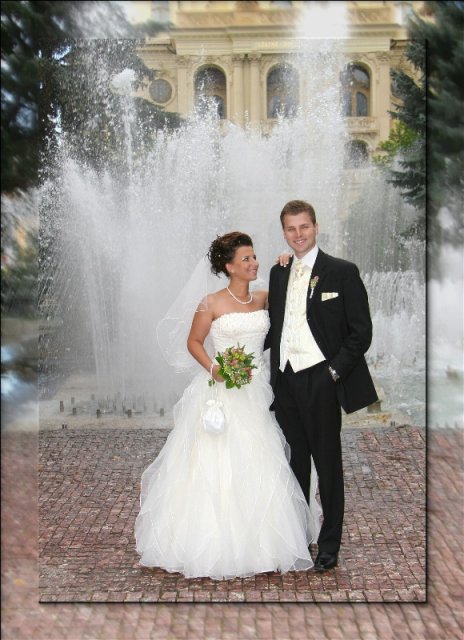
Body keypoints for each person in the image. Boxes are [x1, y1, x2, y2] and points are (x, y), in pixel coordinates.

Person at [135, 232, 321, 580]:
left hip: (258, 391)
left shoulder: (264, 297)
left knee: (263, 457)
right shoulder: (211, 303)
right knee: (216, 462)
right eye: (246, 259)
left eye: (254, 257)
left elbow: (297, 292)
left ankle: (265, 543)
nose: (254, 263)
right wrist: (215, 369)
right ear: (229, 266)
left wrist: (287, 263)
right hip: (221, 391)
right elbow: (193, 341)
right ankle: (215, 544)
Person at [266, 200, 378, 572]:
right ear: (284, 232)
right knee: (294, 463)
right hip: (285, 379)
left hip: (322, 378)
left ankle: (329, 546)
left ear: (316, 227)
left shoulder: (342, 272)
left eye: (304, 227)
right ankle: (299, 537)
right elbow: (276, 325)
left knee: (327, 465)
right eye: (291, 228)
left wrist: (333, 372)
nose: (298, 234)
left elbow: (361, 332)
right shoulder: (279, 271)